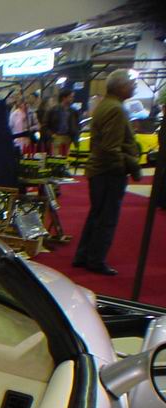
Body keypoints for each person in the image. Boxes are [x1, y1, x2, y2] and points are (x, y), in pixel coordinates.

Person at [73, 69, 142, 276]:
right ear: (120, 86)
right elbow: (111, 148)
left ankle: (84, 256)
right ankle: (95, 260)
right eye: (131, 83)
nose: (134, 86)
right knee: (106, 218)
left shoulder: (106, 105)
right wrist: (127, 166)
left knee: (97, 215)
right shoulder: (116, 109)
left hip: (100, 171)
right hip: (108, 172)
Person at [48, 88, 80, 157]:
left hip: (68, 138)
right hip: (57, 137)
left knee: (66, 158)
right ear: (64, 98)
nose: (72, 99)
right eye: (70, 97)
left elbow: (76, 126)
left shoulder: (74, 111)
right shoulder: (53, 110)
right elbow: (46, 124)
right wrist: (51, 134)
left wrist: (75, 138)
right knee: (56, 158)